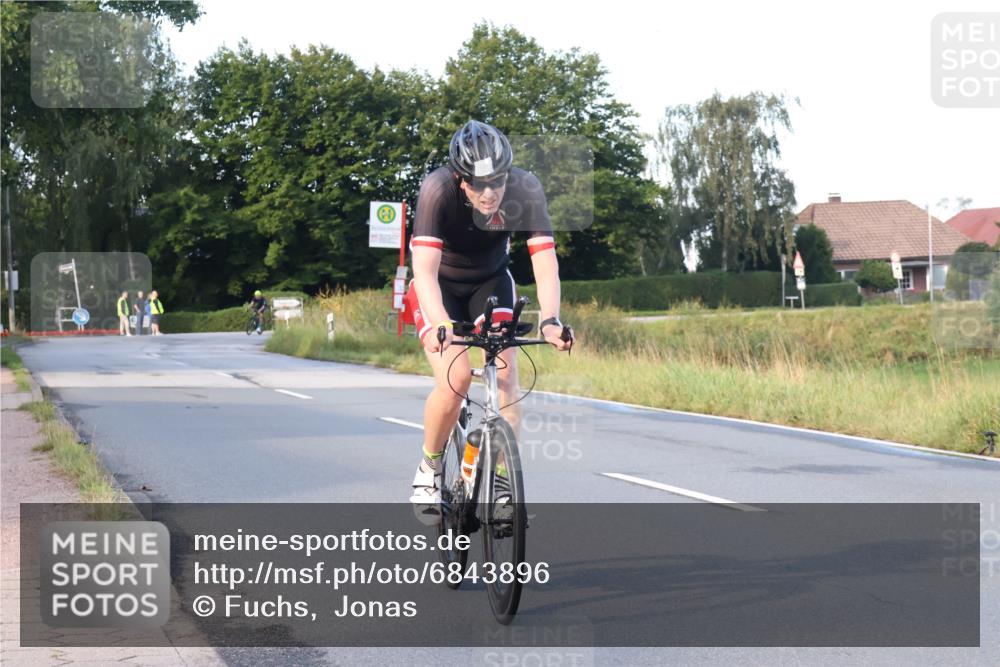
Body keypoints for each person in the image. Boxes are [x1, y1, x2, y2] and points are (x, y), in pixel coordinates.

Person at [406, 120, 573, 512]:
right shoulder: (436, 190)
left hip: (491, 281)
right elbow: (424, 272)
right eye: (478, 184)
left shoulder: (526, 187)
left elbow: (544, 259)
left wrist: (551, 320)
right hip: (439, 289)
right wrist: (441, 324)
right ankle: (430, 467)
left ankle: (499, 483)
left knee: (507, 377)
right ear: (460, 179)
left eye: (497, 181)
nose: (489, 193)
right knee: (457, 378)